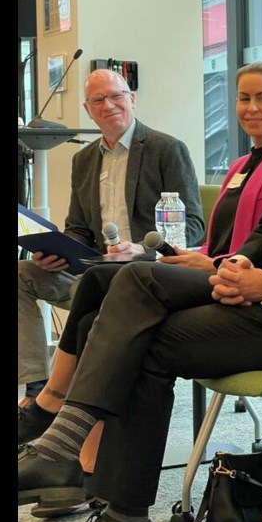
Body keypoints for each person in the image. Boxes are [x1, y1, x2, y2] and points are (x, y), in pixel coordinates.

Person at [17, 2, 262, 522]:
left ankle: (104, 490)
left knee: (141, 332)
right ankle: (80, 460)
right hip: (259, 292)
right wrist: (243, 260)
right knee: (119, 280)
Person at [17, 61, 262, 517]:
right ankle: (53, 418)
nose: (251, 107)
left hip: (206, 273)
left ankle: (58, 429)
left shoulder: (178, 149)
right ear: (87, 108)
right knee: (81, 283)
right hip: (173, 265)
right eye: (243, 98)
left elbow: (216, 232)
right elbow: (217, 237)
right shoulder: (242, 165)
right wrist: (60, 251)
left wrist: (185, 256)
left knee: (124, 286)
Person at [18, 69, 204, 402]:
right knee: (22, 274)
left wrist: (145, 247)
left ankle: (74, 395)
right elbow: (77, 226)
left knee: (100, 293)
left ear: (132, 99)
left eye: (116, 96)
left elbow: (192, 224)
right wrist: (52, 250)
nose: (109, 105)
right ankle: (35, 388)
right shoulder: (84, 160)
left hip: (145, 273)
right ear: (88, 109)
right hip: (93, 267)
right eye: (98, 100)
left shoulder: (166, 149)